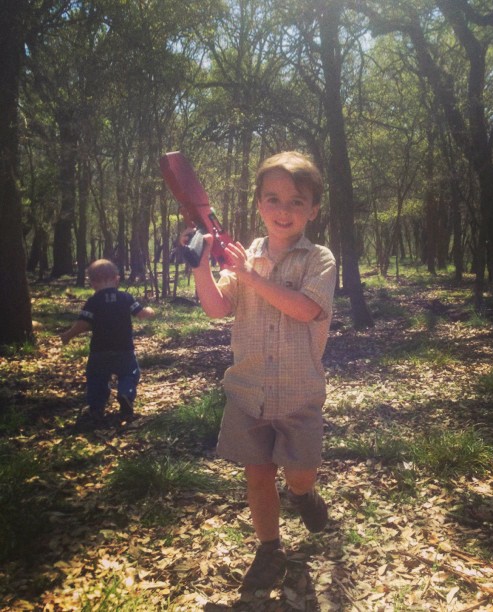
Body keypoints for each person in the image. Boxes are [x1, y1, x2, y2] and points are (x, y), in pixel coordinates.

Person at [190, 151, 336, 591]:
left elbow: (306, 309)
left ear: (313, 209)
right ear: (258, 204)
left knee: (299, 472)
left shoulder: (319, 259)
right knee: (257, 474)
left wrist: (249, 276)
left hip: (299, 395)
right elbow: (218, 308)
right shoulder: (245, 254)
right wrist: (200, 265)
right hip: (248, 391)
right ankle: (270, 549)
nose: (283, 210)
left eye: (296, 201)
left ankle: (303, 495)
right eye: (272, 199)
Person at [59, 259, 155, 428]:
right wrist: (150, 311)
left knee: (96, 378)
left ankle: (96, 407)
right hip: (124, 349)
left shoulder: (93, 302)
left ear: (92, 283)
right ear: (117, 279)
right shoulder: (125, 297)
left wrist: (68, 335)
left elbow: (83, 324)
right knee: (129, 373)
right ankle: (125, 393)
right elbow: (141, 313)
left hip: (99, 350)